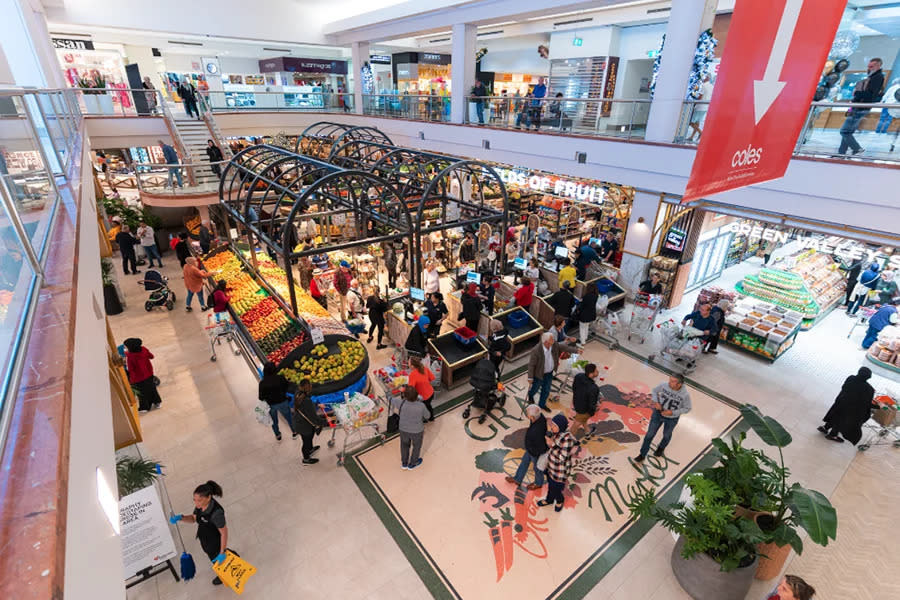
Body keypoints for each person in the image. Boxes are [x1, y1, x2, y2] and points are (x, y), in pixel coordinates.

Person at [168, 481, 229, 586]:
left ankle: (224, 576)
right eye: (194, 500)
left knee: (218, 560)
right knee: (212, 556)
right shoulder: (200, 506)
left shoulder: (216, 513)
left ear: (209, 497)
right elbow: (193, 519)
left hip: (214, 542)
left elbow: (224, 533)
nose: (196, 503)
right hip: (204, 538)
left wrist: (222, 552)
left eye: (199, 500)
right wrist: (181, 518)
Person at [635, 374, 692, 462]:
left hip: (672, 419)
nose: (669, 383)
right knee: (649, 435)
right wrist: (656, 402)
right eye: (670, 380)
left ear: (679, 384)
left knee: (666, 435)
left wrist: (673, 412)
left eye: (673, 381)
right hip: (658, 414)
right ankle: (642, 454)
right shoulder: (663, 385)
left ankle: (661, 448)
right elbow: (654, 391)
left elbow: (687, 408)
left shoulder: (685, 395)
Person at [838, 58, 884, 156]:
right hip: (857, 106)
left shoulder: (878, 77)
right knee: (848, 131)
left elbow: (871, 95)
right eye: (868, 66)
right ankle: (841, 153)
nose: (869, 68)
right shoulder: (871, 76)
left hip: (861, 108)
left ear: (878, 66)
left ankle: (857, 148)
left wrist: (857, 93)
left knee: (845, 131)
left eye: (871, 66)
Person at [819, 367, 877, 444]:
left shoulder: (851, 378)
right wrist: (878, 406)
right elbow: (866, 402)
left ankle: (825, 427)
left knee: (835, 414)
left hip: (841, 401)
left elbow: (844, 387)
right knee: (841, 420)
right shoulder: (868, 389)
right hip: (851, 408)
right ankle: (832, 435)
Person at [537, 413, 578, 512]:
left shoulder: (567, 439)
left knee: (556, 489)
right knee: (551, 485)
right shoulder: (555, 433)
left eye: (555, 425)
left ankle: (560, 500)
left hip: (560, 471)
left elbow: (562, 457)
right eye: (552, 424)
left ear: (561, 427)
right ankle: (549, 500)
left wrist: (552, 444)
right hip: (551, 466)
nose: (552, 427)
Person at [527, 332, 577, 412]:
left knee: (546, 390)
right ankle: (531, 395)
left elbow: (564, 347)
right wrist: (530, 377)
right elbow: (531, 365)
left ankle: (542, 405)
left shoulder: (554, 344)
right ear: (546, 342)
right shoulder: (536, 350)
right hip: (539, 374)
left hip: (549, 373)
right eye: (552, 339)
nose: (553, 340)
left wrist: (576, 350)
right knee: (535, 388)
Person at [506, 404, 548, 490]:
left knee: (537, 468)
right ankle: (517, 479)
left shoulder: (536, 431)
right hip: (530, 449)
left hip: (535, 451)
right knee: (524, 462)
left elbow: (539, 445)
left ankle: (538, 483)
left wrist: (532, 452)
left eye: (527, 414)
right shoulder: (540, 417)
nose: (526, 414)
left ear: (532, 417)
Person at [392, 384, 430, 469]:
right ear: (417, 395)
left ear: (404, 396)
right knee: (416, 446)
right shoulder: (421, 406)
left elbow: (390, 398)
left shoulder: (400, 403)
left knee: (404, 445)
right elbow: (427, 416)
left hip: (403, 429)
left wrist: (399, 390)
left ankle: (404, 463)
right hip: (417, 431)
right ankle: (413, 463)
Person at [258, 361, 297, 441]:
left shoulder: (262, 383)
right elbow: (287, 386)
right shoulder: (280, 378)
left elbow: (261, 397)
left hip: (271, 405)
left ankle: (277, 435)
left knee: (274, 421)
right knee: (289, 417)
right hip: (282, 401)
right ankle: (294, 432)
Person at [292, 379, 325, 464]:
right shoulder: (307, 400)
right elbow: (314, 418)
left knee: (308, 439)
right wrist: (325, 421)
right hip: (305, 426)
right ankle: (306, 459)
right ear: (309, 388)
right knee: (306, 442)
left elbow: (305, 407)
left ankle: (310, 449)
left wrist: (317, 405)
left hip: (299, 422)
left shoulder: (298, 393)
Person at [124, 337, 161, 411]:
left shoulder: (130, 356)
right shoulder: (144, 349)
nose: (125, 348)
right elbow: (152, 356)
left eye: (126, 346)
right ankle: (157, 402)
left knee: (141, 393)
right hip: (149, 373)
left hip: (138, 378)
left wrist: (132, 380)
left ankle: (145, 407)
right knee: (152, 388)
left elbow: (131, 369)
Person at [571, 363, 601, 436]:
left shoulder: (579, 376)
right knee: (577, 423)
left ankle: (587, 431)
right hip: (584, 409)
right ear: (591, 374)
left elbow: (573, 388)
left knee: (581, 419)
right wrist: (592, 412)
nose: (598, 371)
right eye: (596, 371)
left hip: (576, 402)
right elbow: (592, 403)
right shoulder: (593, 388)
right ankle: (569, 439)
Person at [686, 75, 713, 141]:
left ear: (707, 78)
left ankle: (701, 133)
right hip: (706, 107)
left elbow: (700, 96)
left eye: (704, 77)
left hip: (700, 106)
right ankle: (691, 137)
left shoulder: (704, 86)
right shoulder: (712, 86)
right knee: (697, 122)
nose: (703, 78)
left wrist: (695, 103)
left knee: (691, 122)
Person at [408, 356, 436, 421]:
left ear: (412, 366)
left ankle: (427, 418)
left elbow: (410, 389)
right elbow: (432, 378)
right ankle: (431, 417)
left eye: (409, 362)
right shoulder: (424, 368)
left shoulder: (412, 375)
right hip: (431, 392)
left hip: (424, 397)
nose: (408, 363)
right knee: (428, 406)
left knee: (426, 407)